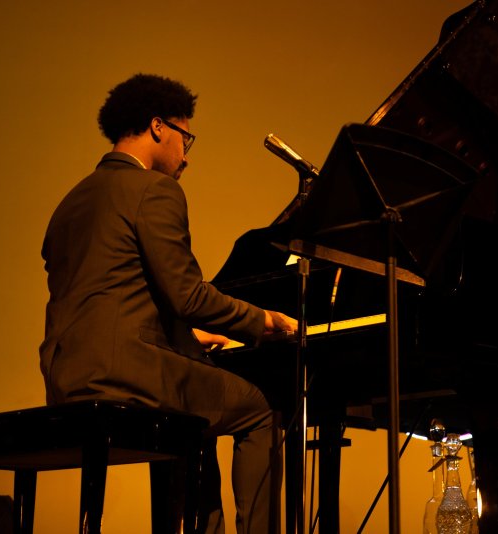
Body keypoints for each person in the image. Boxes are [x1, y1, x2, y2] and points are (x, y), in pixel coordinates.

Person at [39, 73, 296, 533]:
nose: (186, 154)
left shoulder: (71, 202)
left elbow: (109, 295)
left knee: (200, 402)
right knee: (258, 408)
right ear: (159, 127)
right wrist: (264, 320)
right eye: (186, 137)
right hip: (127, 373)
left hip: (65, 375)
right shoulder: (155, 190)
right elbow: (189, 294)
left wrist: (188, 337)